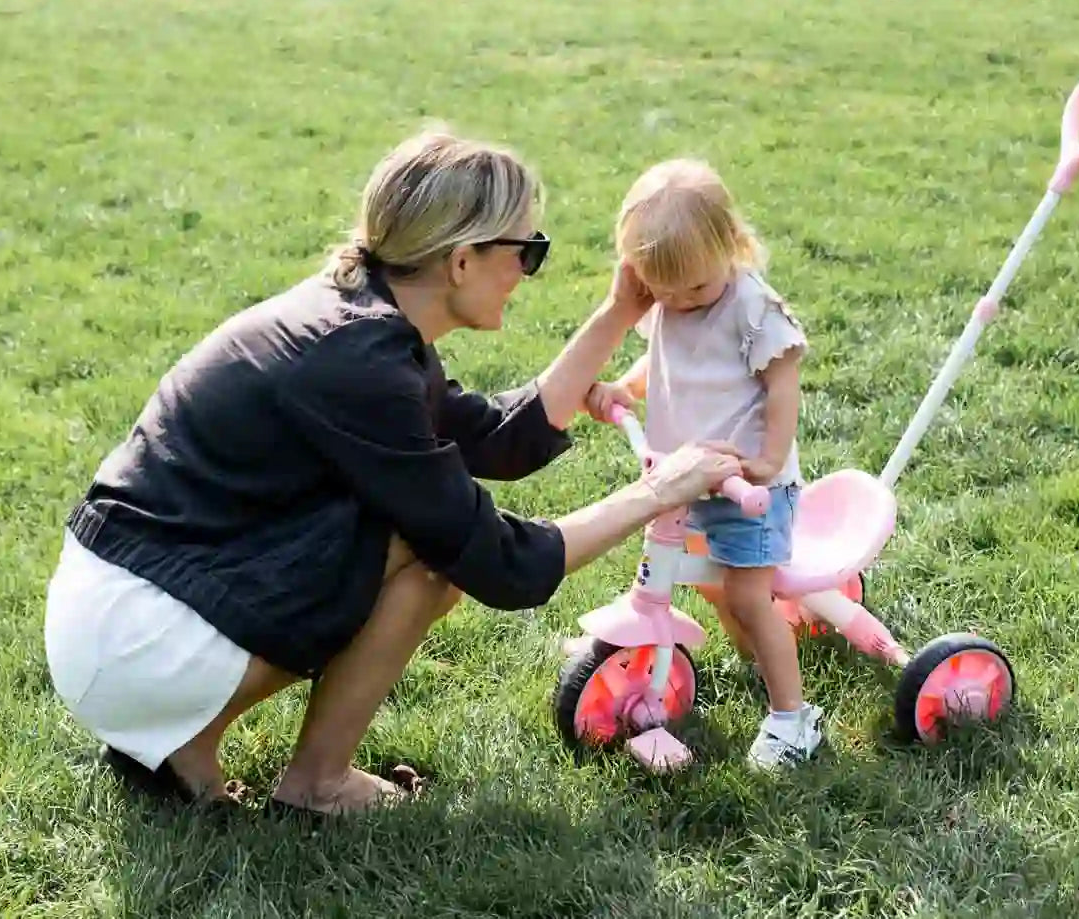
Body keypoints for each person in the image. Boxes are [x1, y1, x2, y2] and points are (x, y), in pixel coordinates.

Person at [43, 129, 744, 816]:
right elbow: (503, 564)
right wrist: (659, 491)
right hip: (134, 638)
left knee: (424, 536)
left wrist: (621, 312)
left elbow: (501, 438)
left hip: (116, 620)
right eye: (527, 250)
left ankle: (184, 747)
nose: (529, 271)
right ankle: (315, 782)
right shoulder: (359, 364)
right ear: (462, 261)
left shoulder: (360, 320)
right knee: (431, 553)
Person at [584, 158, 819, 770]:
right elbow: (667, 362)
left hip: (748, 488)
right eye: (664, 291)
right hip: (686, 480)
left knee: (744, 596)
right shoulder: (672, 300)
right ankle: (725, 655)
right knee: (678, 576)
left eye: (693, 288)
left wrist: (769, 459)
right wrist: (627, 389)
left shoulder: (750, 306)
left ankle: (793, 719)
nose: (680, 301)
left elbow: (783, 382)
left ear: (731, 244)